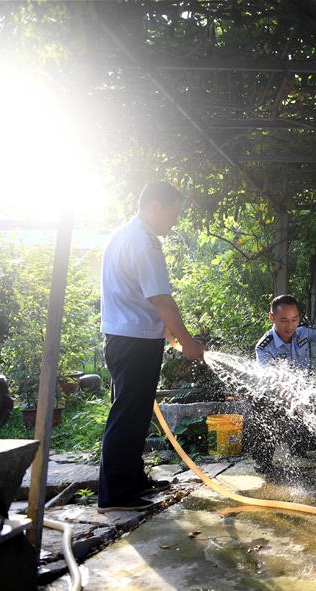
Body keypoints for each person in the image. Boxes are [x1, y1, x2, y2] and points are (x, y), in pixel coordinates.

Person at [98, 182, 204, 513]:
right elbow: (161, 299)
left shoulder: (122, 234)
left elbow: (142, 296)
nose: (174, 221)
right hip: (135, 341)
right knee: (129, 414)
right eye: (173, 213)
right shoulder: (145, 243)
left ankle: (131, 481)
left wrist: (169, 334)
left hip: (124, 337)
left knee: (133, 412)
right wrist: (187, 342)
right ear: (156, 205)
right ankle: (116, 494)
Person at [255, 294, 316, 371]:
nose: (290, 326)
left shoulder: (302, 330)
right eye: (284, 321)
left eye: (294, 319)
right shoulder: (264, 348)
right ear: (272, 317)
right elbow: (271, 381)